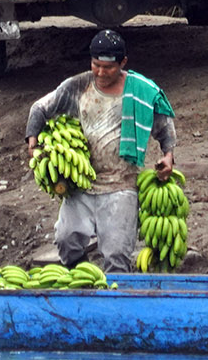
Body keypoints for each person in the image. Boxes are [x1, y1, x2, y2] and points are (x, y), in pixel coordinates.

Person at [22, 30, 176, 272]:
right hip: (83, 184)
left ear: (123, 63)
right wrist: (33, 142)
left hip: (121, 185)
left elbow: (164, 126)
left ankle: (116, 301)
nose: (101, 73)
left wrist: (168, 156)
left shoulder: (141, 91)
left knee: (116, 255)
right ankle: (83, 279)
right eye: (96, 65)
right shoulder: (78, 86)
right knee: (65, 240)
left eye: (108, 67)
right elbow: (40, 108)